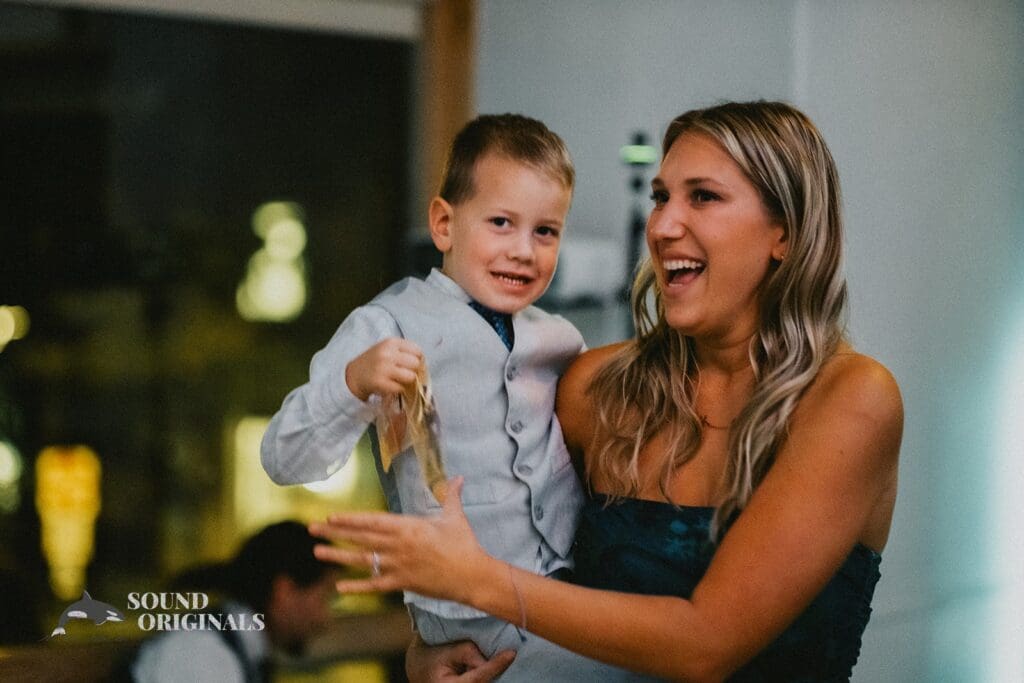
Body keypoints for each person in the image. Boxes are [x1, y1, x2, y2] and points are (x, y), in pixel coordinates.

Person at [310, 100, 904, 681]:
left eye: (703, 196)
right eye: (661, 198)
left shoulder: (851, 399)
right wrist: (432, 647)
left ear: (786, 233)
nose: (664, 226)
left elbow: (707, 646)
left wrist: (475, 580)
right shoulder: (596, 389)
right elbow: (509, 544)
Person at [261, 114, 640, 680]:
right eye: (502, 223)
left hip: (558, 595)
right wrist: (352, 384)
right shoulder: (387, 325)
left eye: (546, 231)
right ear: (444, 224)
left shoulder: (562, 340)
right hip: (470, 617)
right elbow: (283, 459)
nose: (524, 250)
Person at [129, 521, 338, 682]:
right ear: (284, 592)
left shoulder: (235, 650)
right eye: (325, 598)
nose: (325, 622)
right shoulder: (203, 655)